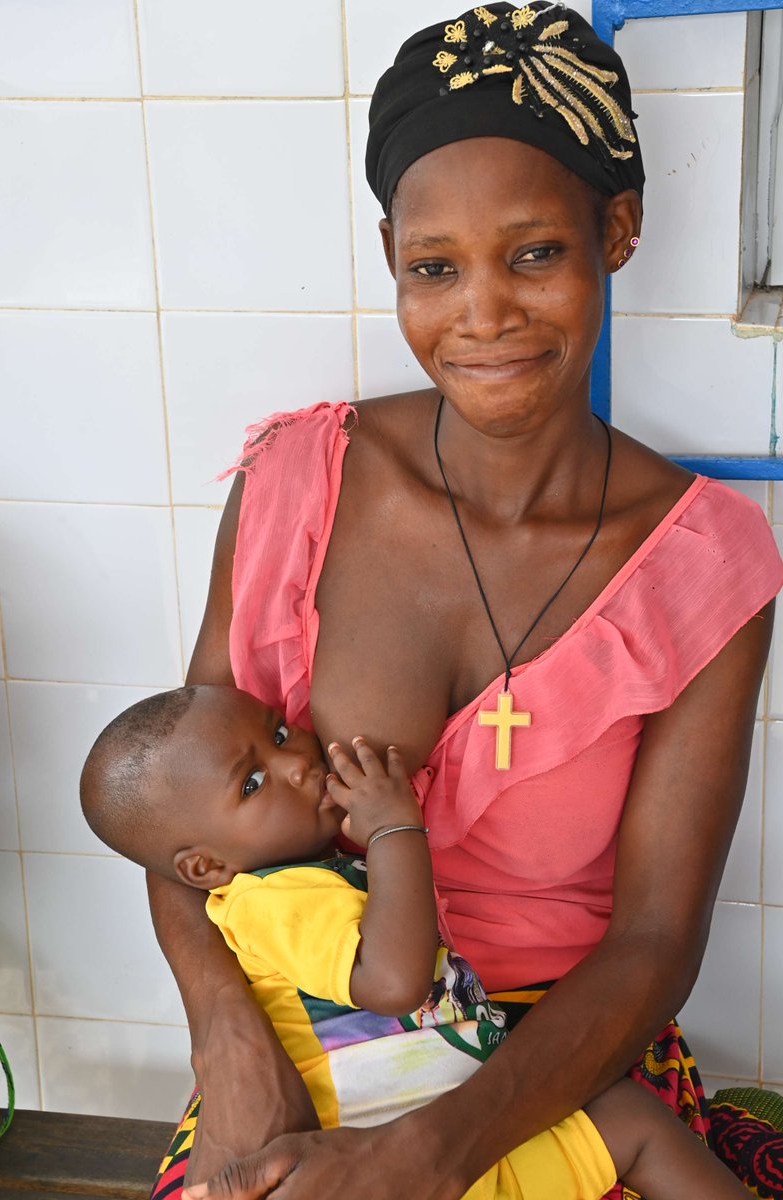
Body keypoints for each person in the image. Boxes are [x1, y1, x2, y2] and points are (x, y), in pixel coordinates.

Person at [143, 4, 783, 1199]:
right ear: (392, 255)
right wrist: (225, 1037)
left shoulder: (699, 561)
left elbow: (653, 941)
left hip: (563, 1063)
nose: (481, 316)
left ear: (618, 230)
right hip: (309, 1037)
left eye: (532, 252)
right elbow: (176, 789)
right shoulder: (300, 481)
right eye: (434, 268)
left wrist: (427, 1154)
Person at [82, 683, 754, 1199]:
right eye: (252, 783)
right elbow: (395, 980)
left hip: (432, 1128)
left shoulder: (297, 880)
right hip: (385, 1156)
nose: (294, 762)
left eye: (281, 732)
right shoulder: (275, 901)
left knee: (628, 1124)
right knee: (631, 1127)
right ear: (203, 868)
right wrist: (393, 828)